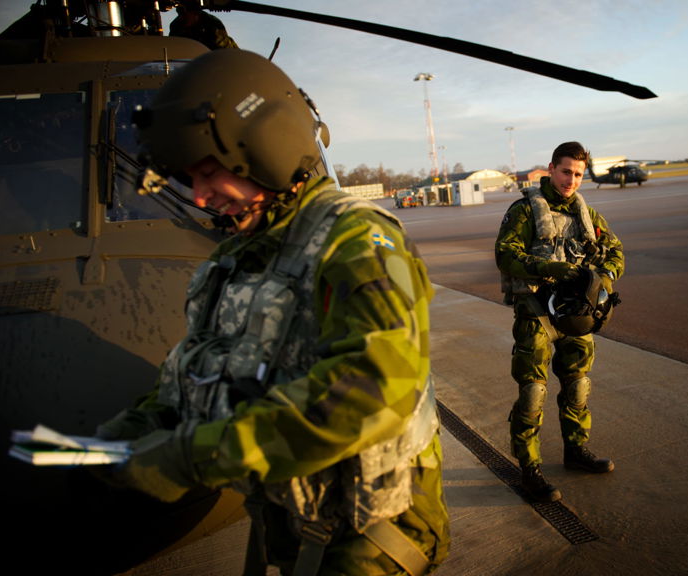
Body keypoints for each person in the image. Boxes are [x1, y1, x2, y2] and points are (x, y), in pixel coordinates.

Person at [95, 49, 449, 575]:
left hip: (370, 533)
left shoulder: (356, 242)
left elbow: (376, 385)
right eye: (189, 179)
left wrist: (200, 455)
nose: (200, 195)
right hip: (291, 517)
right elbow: (197, 368)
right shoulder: (237, 257)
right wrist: (139, 426)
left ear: (268, 147)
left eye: (209, 172)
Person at [495, 141, 624, 503]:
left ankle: (575, 450)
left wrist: (604, 277)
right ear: (550, 169)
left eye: (578, 174)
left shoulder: (589, 215)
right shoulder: (524, 211)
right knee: (533, 391)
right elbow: (505, 255)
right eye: (566, 171)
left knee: (577, 385)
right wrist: (550, 268)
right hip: (536, 311)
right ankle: (529, 469)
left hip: (576, 314)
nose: (571, 180)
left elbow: (616, 250)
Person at [168, 2, 239, 50]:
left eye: (185, 15)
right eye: (180, 14)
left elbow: (225, 50)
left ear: (196, 13)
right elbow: (172, 49)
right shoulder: (176, 26)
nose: (182, 18)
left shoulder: (212, 25)